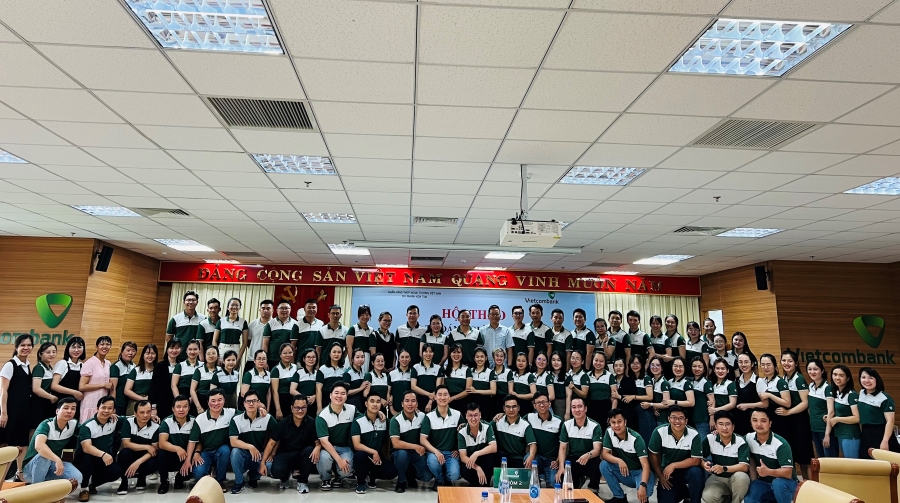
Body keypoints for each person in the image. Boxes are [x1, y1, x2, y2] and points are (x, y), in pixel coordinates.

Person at [260, 394, 320, 493]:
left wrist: (318, 447)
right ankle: (285, 478)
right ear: (292, 408)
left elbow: (318, 442)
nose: (300, 411)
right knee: (276, 471)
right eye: (297, 408)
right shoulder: (283, 423)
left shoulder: (311, 422)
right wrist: (262, 462)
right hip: (285, 453)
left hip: (302, 455)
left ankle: (302, 482)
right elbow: (271, 443)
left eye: (303, 408)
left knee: (310, 450)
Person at [21, 397, 82, 488]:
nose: (69, 411)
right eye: (66, 408)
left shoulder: (73, 424)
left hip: (52, 466)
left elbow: (88, 431)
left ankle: (47, 487)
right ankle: (36, 489)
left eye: (73, 409)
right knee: (43, 456)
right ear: (57, 411)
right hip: (31, 469)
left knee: (77, 477)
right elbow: (39, 446)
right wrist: (57, 460)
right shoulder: (46, 424)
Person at [648, 405, 703, 503]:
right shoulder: (659, 432)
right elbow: (653, 454)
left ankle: (694, 500)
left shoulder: (694, 434)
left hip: (687, 469)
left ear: (686, 421)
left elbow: (696, 460)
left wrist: (674, 465)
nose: (677, 421)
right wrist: (660, 475)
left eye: (681, 418)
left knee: (696, 472)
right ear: (669, 419)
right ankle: (684, 493)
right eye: (673, 417)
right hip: (668, 472)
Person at [600, 408, 655, 503]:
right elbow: (605, 454)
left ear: (625, 422)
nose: (616, 425)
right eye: (613, 422)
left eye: (619, 421)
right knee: (604, 465)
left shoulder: (636, 438)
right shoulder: (609, 432)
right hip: (625, 472)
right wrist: (619, 461)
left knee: (644, 491)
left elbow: (645, 465)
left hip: (639, 472)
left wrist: (643, 484)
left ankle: (644, 499)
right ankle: (619, 497)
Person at [187, 388, 237, 491]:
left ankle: (220, 481)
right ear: (208, 402)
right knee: (198, 474)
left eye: (219, 400)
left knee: (225, 450)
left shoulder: (231, 413)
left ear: (224, 400)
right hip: (205, 452)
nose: (216, 403)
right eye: (213, 401)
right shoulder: (200, 418)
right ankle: (209, 477)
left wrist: (259, 408)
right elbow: (192, 441)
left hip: (222, 451)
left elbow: (247, 413)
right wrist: (190, 458)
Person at [74, 396, 122, 502]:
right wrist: (103, 455)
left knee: (116, 471)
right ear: (97, 408)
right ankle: (84, 489)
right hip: (84, 459)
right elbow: (86, 448)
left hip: (101, 459)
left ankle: (93, 484)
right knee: (87, 459)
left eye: (110, 408)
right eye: (103, 407)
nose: (106, 411)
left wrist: (150, 416)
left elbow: (133, 419)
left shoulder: (114, 420)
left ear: (113, 410)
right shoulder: (87, 426)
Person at [228, 388, 276, 494]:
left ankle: (253, 478)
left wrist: (272, 454)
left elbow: (277, 437)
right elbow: (233, 442)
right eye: (248, 401)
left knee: (269, 465)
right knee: (235, 452)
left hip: (260, 454)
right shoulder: (236, 419)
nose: (251, 404)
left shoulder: (267, 418)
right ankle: (239, 482)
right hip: (244, 454)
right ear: (244, 404)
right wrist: (250, 447)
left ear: (258, 403)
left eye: (254, 401)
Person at [745, 409, 798, 503]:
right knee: (750, 496)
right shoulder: (748, 438)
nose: (759, 424)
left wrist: (768, 472)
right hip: (764, 483)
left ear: (770, 423)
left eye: (763, 421)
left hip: (787, 483)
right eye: (755, 420)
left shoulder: (780, 444)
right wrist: (718, 434)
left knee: (778, 483)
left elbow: (788, 473)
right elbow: (734, 442)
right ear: (751, 423)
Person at [351, 392, 397, 494]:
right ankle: (361, 482)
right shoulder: (358, 421)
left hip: (377, 455)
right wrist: (373, 452)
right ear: (366, 404)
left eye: (378, 402)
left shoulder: (385, 421)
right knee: (360, 456)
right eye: (372, 401)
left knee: (392, 472)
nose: (375, 404)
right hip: (363, 454)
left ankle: (371, 477)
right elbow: (357, 445)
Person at [315, 381, 357, 491]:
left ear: (346, 396)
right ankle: (326, 479)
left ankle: (339, 477)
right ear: (330, 395)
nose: (339, 396)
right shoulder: (322, 415)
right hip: (328, 448)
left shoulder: (352, 409)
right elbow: (324, 442)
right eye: (336, 393)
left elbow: (365, 418)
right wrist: (339, 460)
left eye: (343, 393)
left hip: (345, 448)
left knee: (346, 469)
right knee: (324, 458)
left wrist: (379, 413)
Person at [701, 411, 750, 503]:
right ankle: (726, 499)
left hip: (735, 477)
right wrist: (704, 464)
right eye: (721, 424)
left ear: (733, 427)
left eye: (728, 424)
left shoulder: (740, 441)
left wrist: (723, 468)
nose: (724, 428)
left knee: (741, 477)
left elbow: (744, 467)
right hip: (717, 478)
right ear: (716, 426)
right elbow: (699, 458)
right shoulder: (710, 438)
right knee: (708, 497)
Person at [778, 350, 813, 478]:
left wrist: (788, 412)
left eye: (790, 361)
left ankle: (810, 484)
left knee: (804, 457)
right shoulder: (783, 378)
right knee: (793, 455)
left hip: (800, 421)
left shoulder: (799, 379)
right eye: (784, 360)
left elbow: (805, 402)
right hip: (789, 422)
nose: (786, 363)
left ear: (796, 363)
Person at [390, 390, 432, 493]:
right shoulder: (395, 420)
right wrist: (415, 446)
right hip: (401, 451)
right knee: (402, 455)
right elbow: (396, 443)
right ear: (402, 404)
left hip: (417, 453)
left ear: (417, 404)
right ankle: (401, 481)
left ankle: (410, 474)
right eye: (407, 401)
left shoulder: (422, 417)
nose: (410, 404)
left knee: (427, 477)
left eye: (413, 401)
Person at [420, 385, 462, 489]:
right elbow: (423, 439)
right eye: (439, 395)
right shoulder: (429, 417)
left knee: (454, 475)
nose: (442, 397)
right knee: (433, 462)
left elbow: (464, 435)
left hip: (451, 453)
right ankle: (439, 479)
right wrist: (436, 451)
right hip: (435, 452)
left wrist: (458, 449)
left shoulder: (457, 414)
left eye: (445, 395)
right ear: (435, 397)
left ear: (449, 397)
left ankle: (447, 479)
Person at [555, 396, 601, 489]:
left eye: (580, 406)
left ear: (585, 408)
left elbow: (597, 449)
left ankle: (593, 490)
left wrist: (588, 455)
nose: (577, 410)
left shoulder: (595, 426)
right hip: (573, 458)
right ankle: (578, 482)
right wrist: (561, 467)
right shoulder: (566, 425)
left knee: (597, 466)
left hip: (589, 458)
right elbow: (562, 448)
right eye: (574, 407)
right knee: (564, 481)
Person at [115, 400, 159, 495]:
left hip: (145, 458)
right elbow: (126, 444)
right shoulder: (128, 422)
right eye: (142, 412)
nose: (145, 415)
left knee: (154, 461)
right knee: (124, 453)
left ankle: (141, 477)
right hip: (131, 454)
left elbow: (154, 450)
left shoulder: (156, 427)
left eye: (148, 412)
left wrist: (138, 462)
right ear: (135, 413)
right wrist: (147, 447)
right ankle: (124, 482)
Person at [858, 366, 900, 456]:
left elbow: (890, 421)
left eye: (871, 378)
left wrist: (885, 440)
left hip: (880, 433)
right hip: (865, 432)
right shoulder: (861, 393)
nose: (866, 380)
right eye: (863, 377)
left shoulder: (884, 398)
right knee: (866, 461)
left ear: (876, 379)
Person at [157, 395, 195, 495]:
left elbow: (198, 441)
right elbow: (162, 443)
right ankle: (164, 482)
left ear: (189, 408)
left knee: (195, 467)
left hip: (187, 456)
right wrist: (177, 449)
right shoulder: (166, 421)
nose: (181, 409)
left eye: (185, 406)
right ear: (173, 409)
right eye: (178, 407)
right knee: (161, 454)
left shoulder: (194, 421)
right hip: (171, 455)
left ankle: (180, 478)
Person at [525, 391, 563, 486]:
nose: (542, 405)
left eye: (544, 402)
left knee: (554, 484)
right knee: (527, 459)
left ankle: (543, 477)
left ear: (549, 403)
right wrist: (501, 415)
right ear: (534, 406)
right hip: (536, 457)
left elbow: (564, 444)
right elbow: (514, 418)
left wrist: (558, 460)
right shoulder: (529, 417)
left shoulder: (558, 421)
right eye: (538, 403)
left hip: (551, 460)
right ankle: (537, 480)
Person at [492, 394, 537, 469]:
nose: (511, 410)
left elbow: (533, 444)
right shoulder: (498, 420)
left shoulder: (525, 425)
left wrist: (531, 456)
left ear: (518, 408)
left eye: (514, 406)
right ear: (504, 408)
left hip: (518, 458)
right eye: (508, 407)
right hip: (502, 458)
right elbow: (485, 429)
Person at [457, 402, 497, 487]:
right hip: (471, 462)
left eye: (476, 415)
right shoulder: (462, 432)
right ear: (466, 416)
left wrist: (476, 453)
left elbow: (494, 447)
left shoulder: (487, 426)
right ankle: (475, 483)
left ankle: (485, 482)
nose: (473, 418)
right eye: (470, 415)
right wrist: (477, 468)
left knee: (492, 458)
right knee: (463, 468)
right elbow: (463, 457)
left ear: (480, 415)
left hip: (482, 458)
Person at [806, 359, 837, 458]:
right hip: (814, 429)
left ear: (822, 370)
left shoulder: (827, 388)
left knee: (830, 460)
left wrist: (827, 434)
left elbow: (831, 412)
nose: (812, 372)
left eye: (815, 369)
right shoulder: (811, 386)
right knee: (821, 459)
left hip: (825, 430)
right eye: (809, 369)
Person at [79, 336, 113, 424]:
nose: (105, 346)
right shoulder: (89, 363)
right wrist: (103, 385)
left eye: (107, 344)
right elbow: (82, 386)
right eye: (102, 344)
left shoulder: (108, 363)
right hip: (90, 403)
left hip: (103, 403)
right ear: (96, 346)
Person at [829, 364, 861, 458]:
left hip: (850, 435)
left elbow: (857, 418)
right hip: (840, 433)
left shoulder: (852, 394)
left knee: (852, 464)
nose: (837, 378)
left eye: (841, 375)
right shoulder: (837, 392)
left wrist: (837, 419)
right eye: (835, 374)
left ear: (848, 378)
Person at [51, 336, 86, 418]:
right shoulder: (62, 363)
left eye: (79, 347)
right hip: (61, 404)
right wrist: (74, 392)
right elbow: (54, 386)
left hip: (75, 405)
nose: (76, 350)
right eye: (73, 347)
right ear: (68, 349)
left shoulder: (83, 365)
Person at [758, 354, 790, 440]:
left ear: (775, 366)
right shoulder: (762, 381)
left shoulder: (780, 381)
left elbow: (787, 403)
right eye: (763, 364)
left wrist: (769, 395)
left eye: (768, 364)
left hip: (780, 418)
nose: (765, 367)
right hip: (767, 418)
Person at [734, 353, 767, 437]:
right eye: (740, 362)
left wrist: (747, 405)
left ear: (752, 364)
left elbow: (765, 404)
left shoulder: (759, 381)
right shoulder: (736, 381)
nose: (743, 365)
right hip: (738, 420)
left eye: (746, 362)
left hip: (753, 421)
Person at [166, 290, 204, 360]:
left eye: (193, 300)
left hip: (197, 356)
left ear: (197, 302)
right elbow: (169, 338)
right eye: (188, 300)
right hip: (179, 356)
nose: (191, 302)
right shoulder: (175, 319)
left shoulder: (203, 319)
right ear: (184, 302)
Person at [29, 342, 58, 435]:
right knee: (35, 428)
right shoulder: (39, 368)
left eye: (54, 352)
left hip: (46, 403)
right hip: (37, 403)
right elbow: (36, 389)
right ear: (40, 354)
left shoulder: (50, 368)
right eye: (48, 352)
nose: (51, 354)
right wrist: (52, 397)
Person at [264, 299, 300, 365]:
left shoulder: (295, 324)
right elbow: (265, 344)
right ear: (277, 310)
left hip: (288, 359)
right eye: (281, 308)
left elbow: (295, 345)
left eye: (286, 308)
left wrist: (292, 360)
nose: (284, 310)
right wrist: (265, 360)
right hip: (272, 359)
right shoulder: (270, 324)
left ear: (290, 310)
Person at [151, 339, 180, 420]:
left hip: (178, 403)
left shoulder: (182, 365)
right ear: (167, 349)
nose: (174, 350)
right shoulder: (159, 366)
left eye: (177, 348)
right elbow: (154, 387)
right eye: (172, 348)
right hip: (162, 403)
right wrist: (153, 407)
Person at [586, 350, 617, 425]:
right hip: (591, 408)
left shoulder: (610, 376)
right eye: (596, 360)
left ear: (605, 362)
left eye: (601, 361)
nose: (598, 363)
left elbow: (615, 398)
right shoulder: (587, 375)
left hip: (605, 408)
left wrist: (612, 414)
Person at [214, 297, 249, 364]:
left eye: (237, 305)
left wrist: (239, 357)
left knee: (234, 369)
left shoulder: (243, 322)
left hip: (235, 349)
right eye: (232, 305)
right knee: (221, 369)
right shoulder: (221, 321)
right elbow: (214, 340)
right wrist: (217, 355)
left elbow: (245, 343)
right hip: (222, 349)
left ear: (240, 307)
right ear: (228, 307)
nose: (234, 307)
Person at [125, 344, 156, 415]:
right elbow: (127, 390)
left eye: (153, 353)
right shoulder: (136, 370)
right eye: (147, 353)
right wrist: (143, 398)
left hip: (152, 405)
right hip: (135, 403)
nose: (150, 356)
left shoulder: (158, 371)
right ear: (143, 355)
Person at [411, 344, 443, 413]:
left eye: (430, 352)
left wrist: (430, 402)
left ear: (433, 353)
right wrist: (428, 394)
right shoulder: (416, 367)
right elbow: (413, 386)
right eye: (425, 351)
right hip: (418, 401)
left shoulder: (438, 368)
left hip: (433, 401)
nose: (428, 354)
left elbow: (438, 388)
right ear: (422, 353)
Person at [171, 340, 201, 413]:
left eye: (195, 349)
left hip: (198, 398)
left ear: (199, 351)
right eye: (190, 349)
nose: (192, 352)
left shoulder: (202, 365)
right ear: (186, 351)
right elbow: (173, 385)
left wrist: (193, 397)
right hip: (183, 396)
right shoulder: (180, 365)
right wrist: (179, 400)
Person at [271, 343, 299, 420]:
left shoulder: (295, 367)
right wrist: (278, 409)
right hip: (281, 401)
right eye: (285, 353)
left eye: (290, 352)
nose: (287, 355)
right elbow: (274, 391)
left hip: (294, 401)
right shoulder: (276, 369)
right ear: (280, 355)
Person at [467, 347, 496, 419]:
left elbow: (493, 391)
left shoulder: (490, 372)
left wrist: (476, 391)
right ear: (474, 358)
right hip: (472, 404)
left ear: (486, 358)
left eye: (482, 356)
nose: (479, 359)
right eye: (477, 357)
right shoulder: (470, 371)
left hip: (486, 404)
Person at [709, 359, 737, 433]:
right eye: (717, 368)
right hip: (716, 419)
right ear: (714, 370)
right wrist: (712, 417)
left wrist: (715, 410)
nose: (720, 371)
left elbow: (732, 404)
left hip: (728, 418)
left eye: (723, 368)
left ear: (727, 370)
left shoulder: (731, 384)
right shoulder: (713, 385)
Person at [316, 342, 346, 412]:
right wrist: (319, 407)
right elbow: (318, 390)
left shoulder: (344, 369)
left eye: (339, 352)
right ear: (330, 353)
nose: (336, 354)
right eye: (334, 352)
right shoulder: (323, 369)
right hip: (326, 400)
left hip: (340, 400)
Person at [109, 341, 136, 416]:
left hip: (130, 403)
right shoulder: (116, 366)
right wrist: (113, 406)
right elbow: (112, 389)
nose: (130, 353)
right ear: (121, 352)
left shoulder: (134, 366)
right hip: (119, 404)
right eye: (128, 350)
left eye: (133, 351)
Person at [689, 357, 714, 439]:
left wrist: (712, 418)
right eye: (694, 366)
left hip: (703, 419)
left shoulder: (706, 382)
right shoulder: (690, 381)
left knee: (702, 443)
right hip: (692, 418)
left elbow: (712, 401)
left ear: (704, 369)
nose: (697, 369)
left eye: (700, 367)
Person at [246, 300, 273, 374]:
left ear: (272, 310)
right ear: (259, 310)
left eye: (268, 308)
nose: (265, 310)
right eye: (263, 308)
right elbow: (248, 342)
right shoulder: (252, 324)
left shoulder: (275, 324)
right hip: (252, 359)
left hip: (269, 360)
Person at [191, 346, 220, 415]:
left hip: (216, 403)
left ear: (217, 356)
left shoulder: (220, 370)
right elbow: (192, 390)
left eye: (213, 353)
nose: (211, 356)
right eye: (208, 354)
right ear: (205, 356)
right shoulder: (199, 370)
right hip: (201, 402)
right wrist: (199, 407)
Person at [444, 344, 472, 413]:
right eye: (454, 352)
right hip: (447, 402)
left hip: (462, 403)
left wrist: (453, 398)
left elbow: (468, 390)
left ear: (462, 354)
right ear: (450, 354)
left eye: (459, 352)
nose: (456, 354)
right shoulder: (444, 368)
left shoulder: (467, 369)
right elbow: (441, 387)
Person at [346, 304, 374, 373]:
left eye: (367, 314)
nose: (365, 317)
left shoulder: (371, 330)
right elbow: (349, 347)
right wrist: (351, 361)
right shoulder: (353, 329)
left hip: (366, 358)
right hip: (355, 358)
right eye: (362, 315)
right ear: (358, 316)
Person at [644, 355, 671, 425]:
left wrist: (651, 405)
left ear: (662, 368)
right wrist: (654, 407)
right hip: (653, 416)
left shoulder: (664, 383)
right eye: (652, 365)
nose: (654, 367)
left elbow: (666, 404)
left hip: (663, 418)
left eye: (658, 365)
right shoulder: (651, 380)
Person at [565, 350, 588, 420]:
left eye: (577, 359)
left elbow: (584, 394)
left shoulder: (583, 375)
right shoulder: (568, 373)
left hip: (579, 407)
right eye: (572, 358)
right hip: (568, 405)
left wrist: (574, 388)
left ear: (582, 361)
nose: (574, 360)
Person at [389, 350, 413, 416]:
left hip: (409, 409)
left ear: (410, 359)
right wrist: (391, 409)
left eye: (407, 357)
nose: (404, 359)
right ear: (398, 359)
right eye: (402, 357)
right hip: (394, 410)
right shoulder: (392, 374)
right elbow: (389, 393)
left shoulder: (413, 373)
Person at [549, 352, 568, 418]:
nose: (556, 362)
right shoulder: (547, 374)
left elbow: (568, 396)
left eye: (558, 360)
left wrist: (567, 412)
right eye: (553, 360)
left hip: (561, 404)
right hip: (547, 402)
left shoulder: (566, 376)